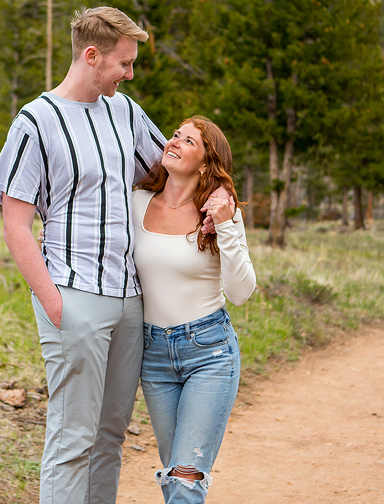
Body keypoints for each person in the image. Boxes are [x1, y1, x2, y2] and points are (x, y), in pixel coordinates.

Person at [0, 7, 227, 504]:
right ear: (91, 56)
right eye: (124, 62)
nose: (130, 73)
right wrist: (53, 302)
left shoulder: (126, 111)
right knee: (72, 439)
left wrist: (220, 193)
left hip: (130, 301)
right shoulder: (36, 122)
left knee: (109, 437)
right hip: (73, 296)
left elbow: (177, 170)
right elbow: (15, 224)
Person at [132, 116, 256, 504]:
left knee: (186, 480)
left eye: (189, 141)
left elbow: (241, 291)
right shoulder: (136, 202)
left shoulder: (218, 213)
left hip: (209, 353)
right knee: (175, 476)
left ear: (205, 163)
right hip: (152, 355)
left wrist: (227, 228)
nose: (175, 142)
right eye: (175, 135)